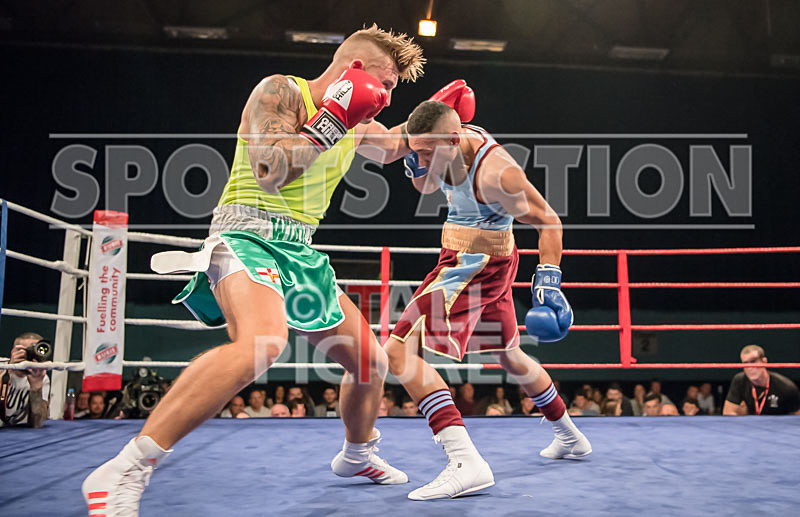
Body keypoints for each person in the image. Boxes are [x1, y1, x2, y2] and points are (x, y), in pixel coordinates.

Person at [83, 25, 427, 512]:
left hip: (300, 249)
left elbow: (394, 146)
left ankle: (357, 454)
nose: (387, 98)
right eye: (387, 83)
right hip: (247, 233)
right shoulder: (281, 91)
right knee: (262, 343)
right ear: (356, 69)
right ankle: (126, 466)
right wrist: (333, 119)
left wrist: (442, 118)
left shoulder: (357, 124)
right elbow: (269, 170)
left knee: (370, 362)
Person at [384, 98, 590, 500]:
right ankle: (569, 436)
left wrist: (548, 282)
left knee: (397, 351)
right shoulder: (437, 145)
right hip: (474, 257)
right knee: (509, 354)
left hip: (475, 266)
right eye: (417, 150)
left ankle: (464, 461)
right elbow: (422, 181)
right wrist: (415, 163)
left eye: (427, 152)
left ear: (453, 137)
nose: (420, 158)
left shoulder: (499, 173)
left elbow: (548, 221)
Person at [723, 344, 800, 416]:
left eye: (753, 361)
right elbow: (728, 413)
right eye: (745, 363)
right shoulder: (739, 380)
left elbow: (796, 419)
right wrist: (741, 418)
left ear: (764, 361)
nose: (750, 367)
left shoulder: (786, 387)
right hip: (749, 428)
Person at [0, 332, 50, 428]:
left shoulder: (41, 376)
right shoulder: (1, 367)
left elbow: (38, 423)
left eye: (35, 351)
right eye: (25, 351)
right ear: (13, 352)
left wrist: (36, 387)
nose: (30, 356)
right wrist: (8, 371)